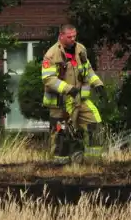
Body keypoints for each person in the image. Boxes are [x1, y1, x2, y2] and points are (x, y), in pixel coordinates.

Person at [40, 23, 105, 157]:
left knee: (95, 123)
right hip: (60, 103)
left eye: (74, 36)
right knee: (61, 135)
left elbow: (88, 70)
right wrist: (69, 89)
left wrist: (98, 83)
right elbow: (48, 79)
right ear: (61, 36)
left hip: (80, 100)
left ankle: (94, 160)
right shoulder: (51, 55)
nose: (73, 39)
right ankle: (59, 166)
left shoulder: (80, 49)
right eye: (69, 37)